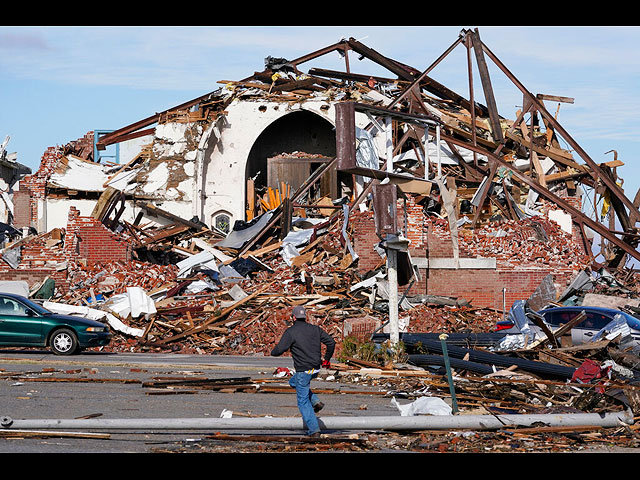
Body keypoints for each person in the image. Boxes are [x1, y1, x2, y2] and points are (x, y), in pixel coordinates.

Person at [271, 305, 335, 436]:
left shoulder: (291, 332)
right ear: (304, 317)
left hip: (303, 371)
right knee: (293, 382)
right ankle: (316, 402)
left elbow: (279, 350)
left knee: (303, 401)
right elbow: (331, 342)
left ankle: (314, 430)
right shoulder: (315, 329)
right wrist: (327, 359)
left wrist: (274, 352)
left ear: (293, 317)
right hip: (315, 369)